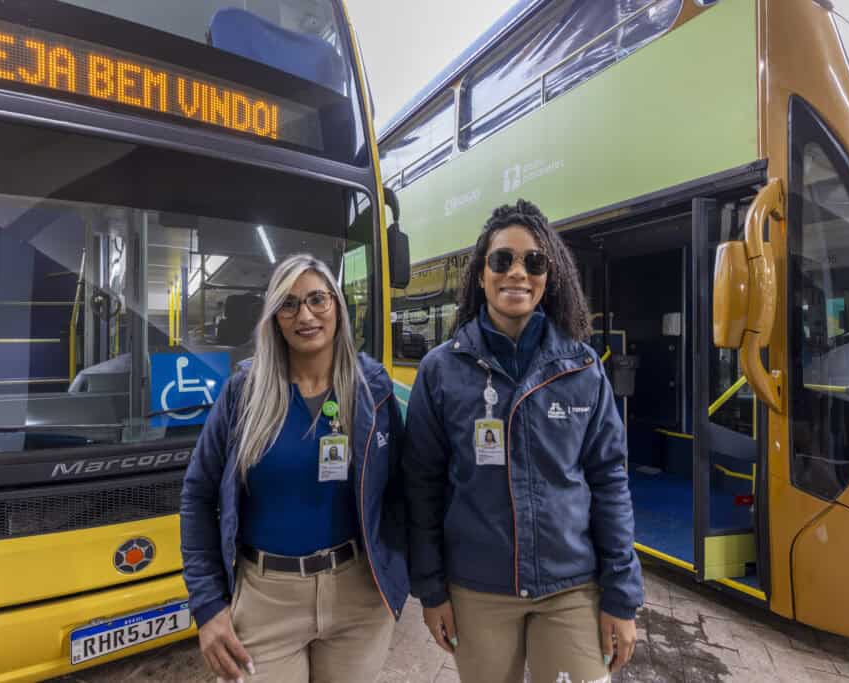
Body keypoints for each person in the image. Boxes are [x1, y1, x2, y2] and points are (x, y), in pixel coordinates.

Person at [403, 200, 643, 683]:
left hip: (570, 587)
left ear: (549, 276)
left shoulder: (581, 368)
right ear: (481, 274)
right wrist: (432, 590)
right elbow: (422, 487)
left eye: (533, 262)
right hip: (477, 591)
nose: (518, 272)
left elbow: (609, 481)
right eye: (502, 260)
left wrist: (621, 595)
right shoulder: (441, 372)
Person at [181, 254, 409, 683]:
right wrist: (208, 606)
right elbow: (197, 496)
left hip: (357, 600)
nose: (305, 315)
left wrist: (399, 570)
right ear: (275, 317)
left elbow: (400, 488)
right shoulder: (243, 393)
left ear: (338, 306)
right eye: (288, 304)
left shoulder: (371, 387)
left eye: (317, 299)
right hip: (267, 601)